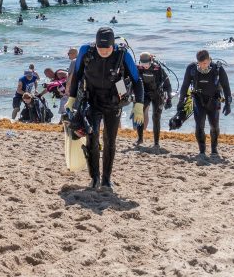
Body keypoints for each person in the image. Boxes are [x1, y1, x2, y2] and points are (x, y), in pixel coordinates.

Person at [64, 27, 143, 192]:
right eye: (101, 48)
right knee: (92, 138)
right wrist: (72, 98)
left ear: (113, 45)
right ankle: (95, 178)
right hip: (91, 100)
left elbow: (137, 80)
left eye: (107, 48)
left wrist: (139, 105)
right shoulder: (86, 51)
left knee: (110, 141)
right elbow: (77, 75)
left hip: (114, 101)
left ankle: (106, 180)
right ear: (96, 44)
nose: (104, 51)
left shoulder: (123, 55)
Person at [172, 50, 232, 160]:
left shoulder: (217, 69)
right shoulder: (191, 69)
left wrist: (228, 103)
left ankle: (214, 150)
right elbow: (185, 86)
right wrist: (181, 102)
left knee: (214, 126)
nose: (203, 66)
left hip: (214, 101)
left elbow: (226, 86)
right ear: (197, 62)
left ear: (209, 60)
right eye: (200, 63)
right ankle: (202, 151)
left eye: (205, 63)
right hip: (198, 100)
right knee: (199, 126)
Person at [135, 52, 172, 148]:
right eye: (143, 64)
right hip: (145, 94)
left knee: (156, 118)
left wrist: (169, 99)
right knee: (140, 115)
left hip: (157, 95)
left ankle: (156, 142)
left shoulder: (158, 69)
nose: (145, 66)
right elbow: (133, 82)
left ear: (151, 61)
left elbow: (168, 85)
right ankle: (140, 139)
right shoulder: (139, 68)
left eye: (146, 64)